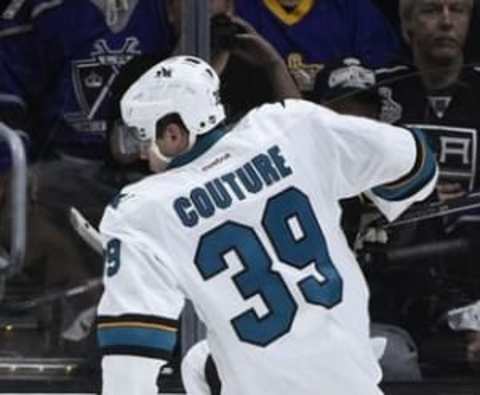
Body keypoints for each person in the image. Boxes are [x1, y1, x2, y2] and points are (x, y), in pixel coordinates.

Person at [96, 55, 437, 394]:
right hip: (354, 385)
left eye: (143, 138)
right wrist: (353, 196)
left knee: (200, 364)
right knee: (201, 362)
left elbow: (131, 357)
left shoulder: (141, 211)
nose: (141, 153)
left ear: (174, 133)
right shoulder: (286, 125)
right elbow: (417, 164)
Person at [234, 0, 402, 93]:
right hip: (264, 135)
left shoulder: (355, 9)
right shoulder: (237, 8)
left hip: (341, 132)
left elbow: (386, 84)